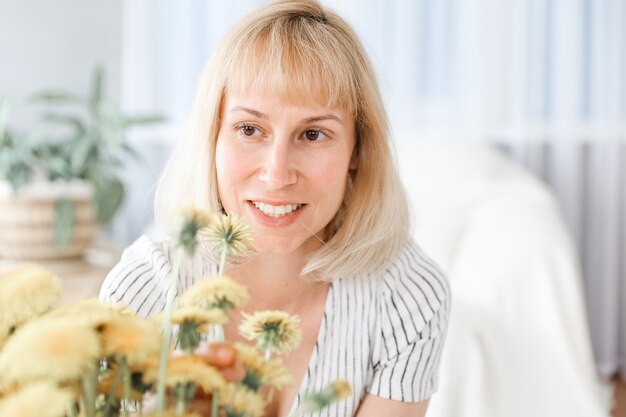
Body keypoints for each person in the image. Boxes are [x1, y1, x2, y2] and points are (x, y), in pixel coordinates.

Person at [99, 1, 450, 416]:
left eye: (314, 134)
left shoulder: (408, 297)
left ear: (359, 149)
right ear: (212, 139)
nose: (277, 174)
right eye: (250, 129)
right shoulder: (145, 292)